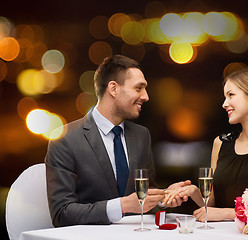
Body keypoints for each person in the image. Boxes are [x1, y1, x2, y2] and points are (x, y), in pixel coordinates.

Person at [45, 54, 189, 227]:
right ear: (113, 89)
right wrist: (121, 206)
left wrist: (163, 199)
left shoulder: (141, 135)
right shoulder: (65, 139)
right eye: (139, 88)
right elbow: (62, 213)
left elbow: (143, 198)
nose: (146, 96)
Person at [163, 66, 248, 222]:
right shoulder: (220, 143)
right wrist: (193, 191)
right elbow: (210, 203)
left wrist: (226, 213)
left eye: (231, 95)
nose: (224, 104)